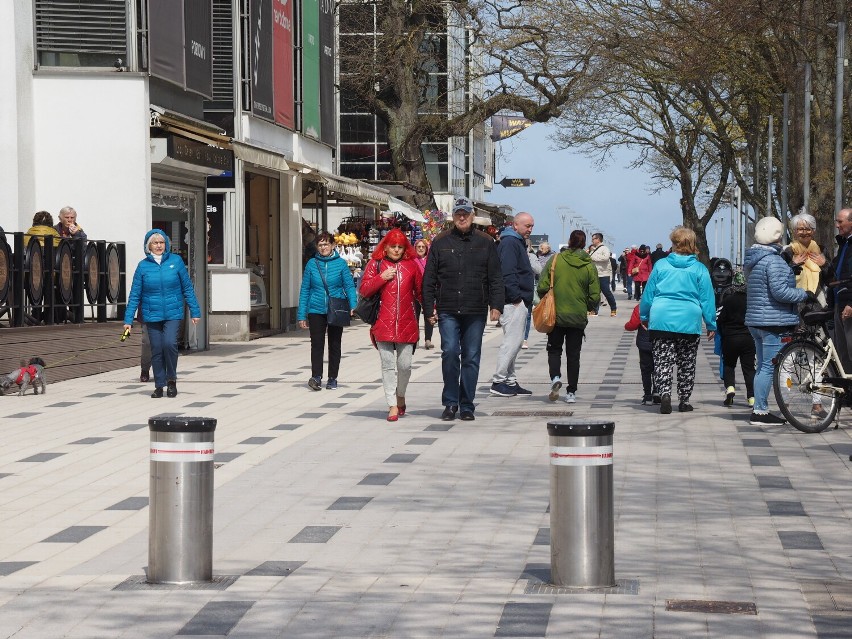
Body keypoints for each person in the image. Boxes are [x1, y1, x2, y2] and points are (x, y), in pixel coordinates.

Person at [422, 196, 504, 421]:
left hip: (475, 309)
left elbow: (496, 277)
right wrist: (429, 309)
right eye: (458, 213)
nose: (461, 216)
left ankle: (467, 404)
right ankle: (450, 402)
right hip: (448, 308)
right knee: (449, 352)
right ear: (453, 216)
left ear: (472, 216)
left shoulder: (486, 242)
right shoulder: (440, 242)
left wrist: (496, 305)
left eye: (465, 213)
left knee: (471, 357)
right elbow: (428, 279)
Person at [639, 227, 716, 415]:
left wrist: (644, 316)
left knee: (662, 361)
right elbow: (707, 298)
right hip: (689, 320)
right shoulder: (699, 269)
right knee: (686, 362)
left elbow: (648, 294)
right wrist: (711, 323)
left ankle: (664, 392)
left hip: (662, 317)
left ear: (674, 244)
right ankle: (684, 400)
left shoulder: (661, 266)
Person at [745, 216, 809, 425]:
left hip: (757, 321)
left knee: (762, 365)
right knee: (768, 367)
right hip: (774, 321)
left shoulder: (755, 260)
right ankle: (760, 411)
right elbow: (780, 292)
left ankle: (759, 408)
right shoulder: (774, 260)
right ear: (777, 236)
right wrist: (803, 294)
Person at [123, 230, 201, 398]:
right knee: (156, 349)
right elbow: (135, 294)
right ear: (148, 246)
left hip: (173, 312)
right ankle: (159, 385)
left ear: (166, 244)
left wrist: (195, 311)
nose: (159, 246)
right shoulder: (143, 266)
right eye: (155, 243)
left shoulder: (176, 261)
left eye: (162, 242)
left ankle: (171, 380)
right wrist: (128, 319)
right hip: (152, 313)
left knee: (169, 344)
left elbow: (187, 287)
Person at [359, 229, 422, 421]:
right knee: (387, 365)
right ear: (385, 247)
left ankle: (400, 394)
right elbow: (364, 290)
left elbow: (420, 292)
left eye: (400, 247)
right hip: (382, 322)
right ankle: (392, 404)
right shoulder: (375, 264)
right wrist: (381, 277)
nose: (396, 250)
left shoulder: (411, 266)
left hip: (407, 322)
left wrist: (432, 310)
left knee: (405, 365)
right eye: (393, 246)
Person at [538, 229, 600, 404]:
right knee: (573, 355)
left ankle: (555, 377)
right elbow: (595, 295)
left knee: (554, 349)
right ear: (584, 243)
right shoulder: (589, 265)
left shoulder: (556, 259)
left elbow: (542, 286)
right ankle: (571, 391)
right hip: (577, 317)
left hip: (556, 314)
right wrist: (586, 306)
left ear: (569, 241)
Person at [297, 231, 358, 391]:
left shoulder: (341, 264)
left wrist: (353, 305)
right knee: (317, 344)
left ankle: (332, 378)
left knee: (334, 344)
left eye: (326, 244)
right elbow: (305, 289)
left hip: (336, 308)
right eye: (320, 244)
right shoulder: (311, 264)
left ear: (333, 245)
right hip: (316, 309)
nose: (323, 247)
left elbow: (349, 286)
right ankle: (316, 376)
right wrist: (301, 314)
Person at [490, 212, 536, 397]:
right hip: (513, 302)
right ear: (515, 225)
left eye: (532, 226)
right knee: (512, 342)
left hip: (517, 300)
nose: (530, 230)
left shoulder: (515, 241)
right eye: (527, 226)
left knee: (516, 342)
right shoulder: (510, 242)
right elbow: (507, 272)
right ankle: (499, 380)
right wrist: (516, 297)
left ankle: (510, 380)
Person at [716, 271, 756, 407]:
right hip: (748, 338)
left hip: (730, 338)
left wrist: (723, 333)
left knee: (729, 365)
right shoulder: (751, 301)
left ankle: (730, 388)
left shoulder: (728, 300)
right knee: (749, 369)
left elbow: (720, 320)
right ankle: (752, 397)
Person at [782, 212, 827, 299]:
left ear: (814, 231)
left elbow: (831, 280)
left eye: (808, 229)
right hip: (795, 301)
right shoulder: (787, 251)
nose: (804, 232)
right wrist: (793, 264)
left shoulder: (821, 250)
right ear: (794, 231)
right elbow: (780, 278)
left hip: (819, 303)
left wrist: (825, 265)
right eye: (800, 229)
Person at [624, 304, 654, 404]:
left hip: (644, 344)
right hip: (660, 342)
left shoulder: (641, 307)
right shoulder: (665, 305)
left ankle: (648, 395)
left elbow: (632, 324)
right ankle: (658, 392)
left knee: (646, 369)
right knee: (659, 368)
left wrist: (626, 326)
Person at [588, 233, 617, 317]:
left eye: (593, 239)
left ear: (598, 239)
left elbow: (606, 258)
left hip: (603, 274)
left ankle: (613, 308)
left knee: (606, 292)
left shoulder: (604, 248)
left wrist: (593, 258)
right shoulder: (593, 250)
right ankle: (594, 310)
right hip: (594, 274)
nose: (592, 240)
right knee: (595, 293)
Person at [413, 238, 435, 349]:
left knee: (429, 315)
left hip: (428, 292)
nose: (421, 249)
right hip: (414, 293)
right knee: (414, 316)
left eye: (423, 247)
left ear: (426, 248)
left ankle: (428, 339)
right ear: (415, 248)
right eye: (419, 247)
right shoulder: (412, 260)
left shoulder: (430, 260)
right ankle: (415, 339)